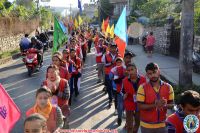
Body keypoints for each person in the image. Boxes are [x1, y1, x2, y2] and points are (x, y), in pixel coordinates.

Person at [137, 62, 174, 133]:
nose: (153, 75)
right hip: (146, 125)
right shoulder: (142, 88)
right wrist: (155, 105)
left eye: (154, 72)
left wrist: (164, 105)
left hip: (162, 125)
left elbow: (172, 105)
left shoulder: (169, 87)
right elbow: (140, 106)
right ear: (147, 75)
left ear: (159, 72)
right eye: (150, 74)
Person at [123, 63, 146, 133]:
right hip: (129, 102)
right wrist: (124, 95)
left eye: (132, 69)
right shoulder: (125, 80)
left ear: (136, 70)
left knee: (137, 122)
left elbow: (146, 91)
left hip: (139, 103)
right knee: (129, 124)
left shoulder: (143, 79)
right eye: (128, 70)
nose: (130, 72)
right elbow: (122, 91)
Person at [102, 42, 121, 108]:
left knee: (115, 89)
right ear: (110, 48)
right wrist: (111, 63)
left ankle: (115, 100)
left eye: (114, 48)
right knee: (109, 88)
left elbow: (121, 65)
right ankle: (110, 99)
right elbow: (104, 64)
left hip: (116, 75)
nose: (113, 49)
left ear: (116, 48)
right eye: (112, 48)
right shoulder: (106, 55)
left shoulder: (119, 56)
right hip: (108, 74)